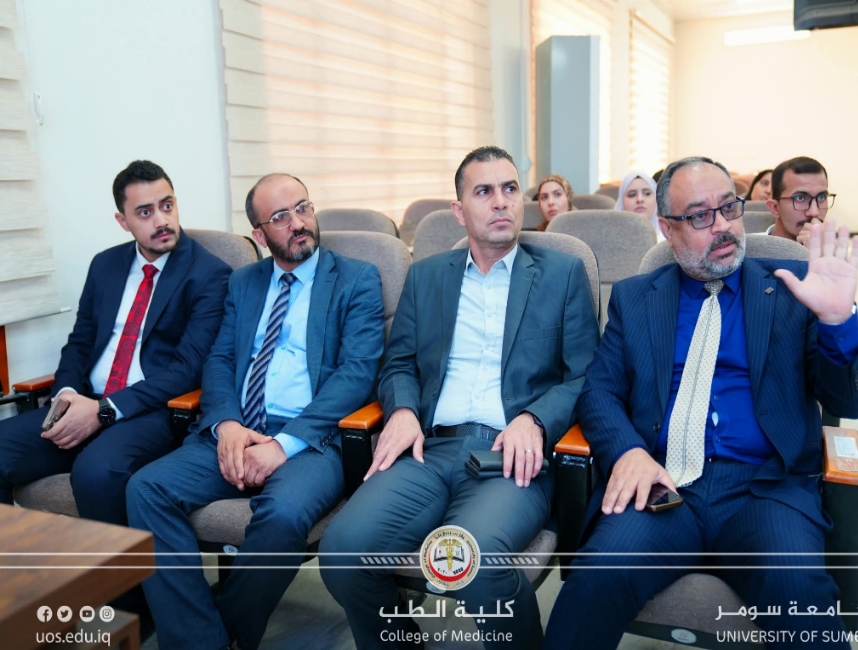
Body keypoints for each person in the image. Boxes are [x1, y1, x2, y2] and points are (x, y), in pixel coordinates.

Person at [544, 156, 858, 650]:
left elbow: (853, 399)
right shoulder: (636, 298)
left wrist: (837, 322)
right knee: (591, 585)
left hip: (765, 490)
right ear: (667, 228)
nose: (722, 225)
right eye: (700, 215)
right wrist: (629, 452)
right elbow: (599, 391)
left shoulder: (793, 288)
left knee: (803, 601)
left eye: (729, 208)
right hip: (662, 484)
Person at [319, 146, 600, 650]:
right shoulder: (427, 276)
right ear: (459, 210)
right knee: (342, 551)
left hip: (510, 456)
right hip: (429, 449)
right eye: (484, 191)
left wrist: (535, 419)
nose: (501, 202)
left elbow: (586, 376)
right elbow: (399, 363)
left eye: (510, 189)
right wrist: (403, 410)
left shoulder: (562, 274)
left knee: (471, 560)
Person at [126, 173, 385, 650]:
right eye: (280, 217)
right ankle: (202, 642)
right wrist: (226, 425)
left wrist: (283, 446)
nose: (298, 223)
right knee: (146, 489)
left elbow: (357, 374)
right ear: (260, 235)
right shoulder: (244, 282)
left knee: (283, 516)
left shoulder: (356, 278)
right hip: (240, 426)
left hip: (313, 438)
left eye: (303, 208)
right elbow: (220, 359)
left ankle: (226, 635)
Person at [0, 159, 231, 632]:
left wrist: (105, 411)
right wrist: (67, 395)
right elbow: (79, 342)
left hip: (152, 411)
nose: (161, 219)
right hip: (86, 398)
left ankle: (133, 608)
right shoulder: (105, 265)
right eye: (145, 212)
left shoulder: (209, 273)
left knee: (97, 472)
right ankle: (22, 593)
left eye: (167, 205)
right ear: (122, 221)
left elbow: (188, 367)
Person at [766, 156, 834, 246]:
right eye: (800, 198)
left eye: (821, 197)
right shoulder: (751, 250)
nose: (814, 212)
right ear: (775, 208)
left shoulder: (837, 250)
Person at [615, 171, 664, 242]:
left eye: (647, 193)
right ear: (622, 202)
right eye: (632, 195)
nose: (640, 199)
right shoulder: (612, 238)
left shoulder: (668, 238)